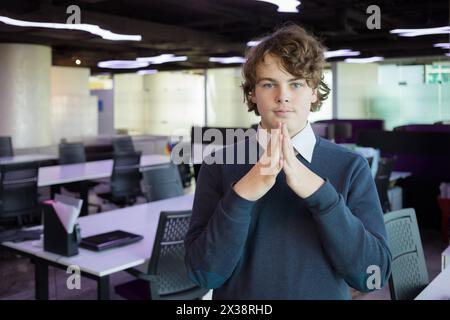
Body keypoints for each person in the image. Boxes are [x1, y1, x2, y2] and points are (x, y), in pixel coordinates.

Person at [184, 24, 391, 299]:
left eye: (296, 83)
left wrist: (321, 195)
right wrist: (242, 194)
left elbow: (371, 275)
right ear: (252, 95)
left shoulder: (351, 166)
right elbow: (203, 273)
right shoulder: (218, 164)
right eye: (269, 84)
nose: (283, 96)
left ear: (314, 92)